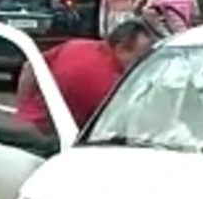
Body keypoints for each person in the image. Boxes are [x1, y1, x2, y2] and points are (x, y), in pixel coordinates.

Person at [14, 19, 155, 132]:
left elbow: (29, 67)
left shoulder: (75, 45)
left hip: (25, 124)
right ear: (121, 48)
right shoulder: (110, 84)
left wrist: (24, 108)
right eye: (140, 57)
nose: (142, 64)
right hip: (51, 138)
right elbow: (118, 128)